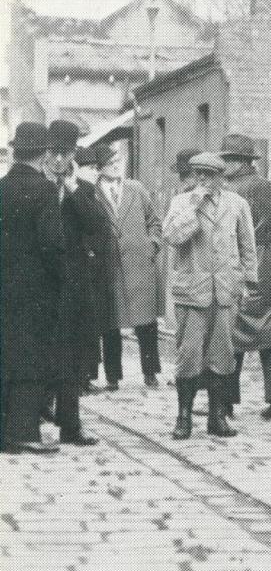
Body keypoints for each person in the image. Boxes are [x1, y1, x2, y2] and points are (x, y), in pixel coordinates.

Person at [164, 152, 258, 439]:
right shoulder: (181, 202)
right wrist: (193, 206)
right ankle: (184, 417)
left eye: (208, 174)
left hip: (226, 290)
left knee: (222, 355)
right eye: (198, 174)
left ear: (220, 177)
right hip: (193, 291)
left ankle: (217, 416)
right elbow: (173, 236)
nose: (202, 179)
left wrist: (247, 281)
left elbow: (247, 246)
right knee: (189, 355)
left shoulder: (237, 204)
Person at [0, 123, 64, 454]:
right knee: (32, 356)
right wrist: (60, 280)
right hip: (35, 291)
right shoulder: (44, 190)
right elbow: (52, 245)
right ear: (43, 155)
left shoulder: (1, 187)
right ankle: (23, 431)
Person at [221, 135, 271, 420]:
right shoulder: (270, 188)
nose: (223, 164)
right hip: (269, 264)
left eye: (226, 159)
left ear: (238, 163)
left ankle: (225, 402)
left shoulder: (227, 191)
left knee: (231, 333)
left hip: (240, 263)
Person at [46, 121, 104, 446]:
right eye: (53, 153)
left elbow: (98, 227)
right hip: (39, 284)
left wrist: (72, 189)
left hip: (70, 285)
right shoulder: (33, 184)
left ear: (73, 156)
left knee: (68, 356)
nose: (58, 160)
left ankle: (70, 425)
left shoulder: (82, 189)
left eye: (64, 154)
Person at [96, 142, 162, 390]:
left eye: (117, 161)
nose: (115, 165)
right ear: (100, 167)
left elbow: (155, 222)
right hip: (109, 267)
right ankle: (113, 377)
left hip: (139, 266)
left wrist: (151, 246)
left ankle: (150, 372)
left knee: (146, 323)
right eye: (110, 162)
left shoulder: (137, 189)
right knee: (110, 324)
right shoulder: (92, 192)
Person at [72, 144, 118, 397]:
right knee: (83, 327)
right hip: (85, 268)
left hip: (98, 269)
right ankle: (80, 378)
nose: (92, 172)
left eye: (93, 167)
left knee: (92, 327)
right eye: (87, 167)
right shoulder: (77, 192)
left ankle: (87, 376)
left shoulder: (90, 191)